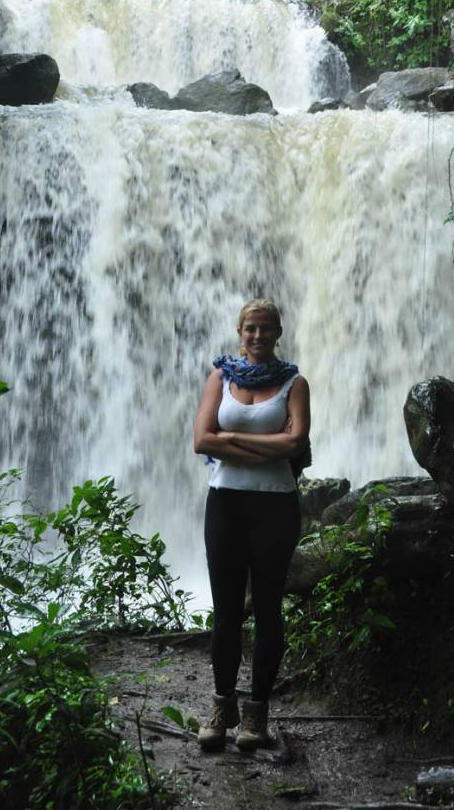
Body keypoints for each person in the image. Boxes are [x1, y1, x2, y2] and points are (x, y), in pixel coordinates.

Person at [193, 298, 310, 751]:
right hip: (225, 505)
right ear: (239, 333)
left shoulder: (294, 383)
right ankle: (224, 705)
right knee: (225, 612)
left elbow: (296, 441)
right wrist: (268, 444)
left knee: (267, 611)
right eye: (250, 329)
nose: (258, 336)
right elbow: (201, 439)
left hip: (276, 508)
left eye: (266, 328)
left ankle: (257, 714)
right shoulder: (220, 378)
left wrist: (234, 438)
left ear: (278, 332)